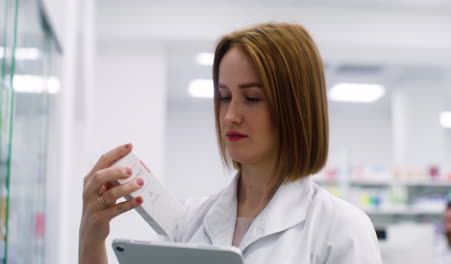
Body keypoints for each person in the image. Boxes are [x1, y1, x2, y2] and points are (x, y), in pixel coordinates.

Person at [79, 23, 382, 264]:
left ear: (295, 108)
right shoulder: (190, 222)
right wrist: (92, 236)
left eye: (251, 98)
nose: (230, 116)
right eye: (225, 97)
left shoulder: (341, 229)